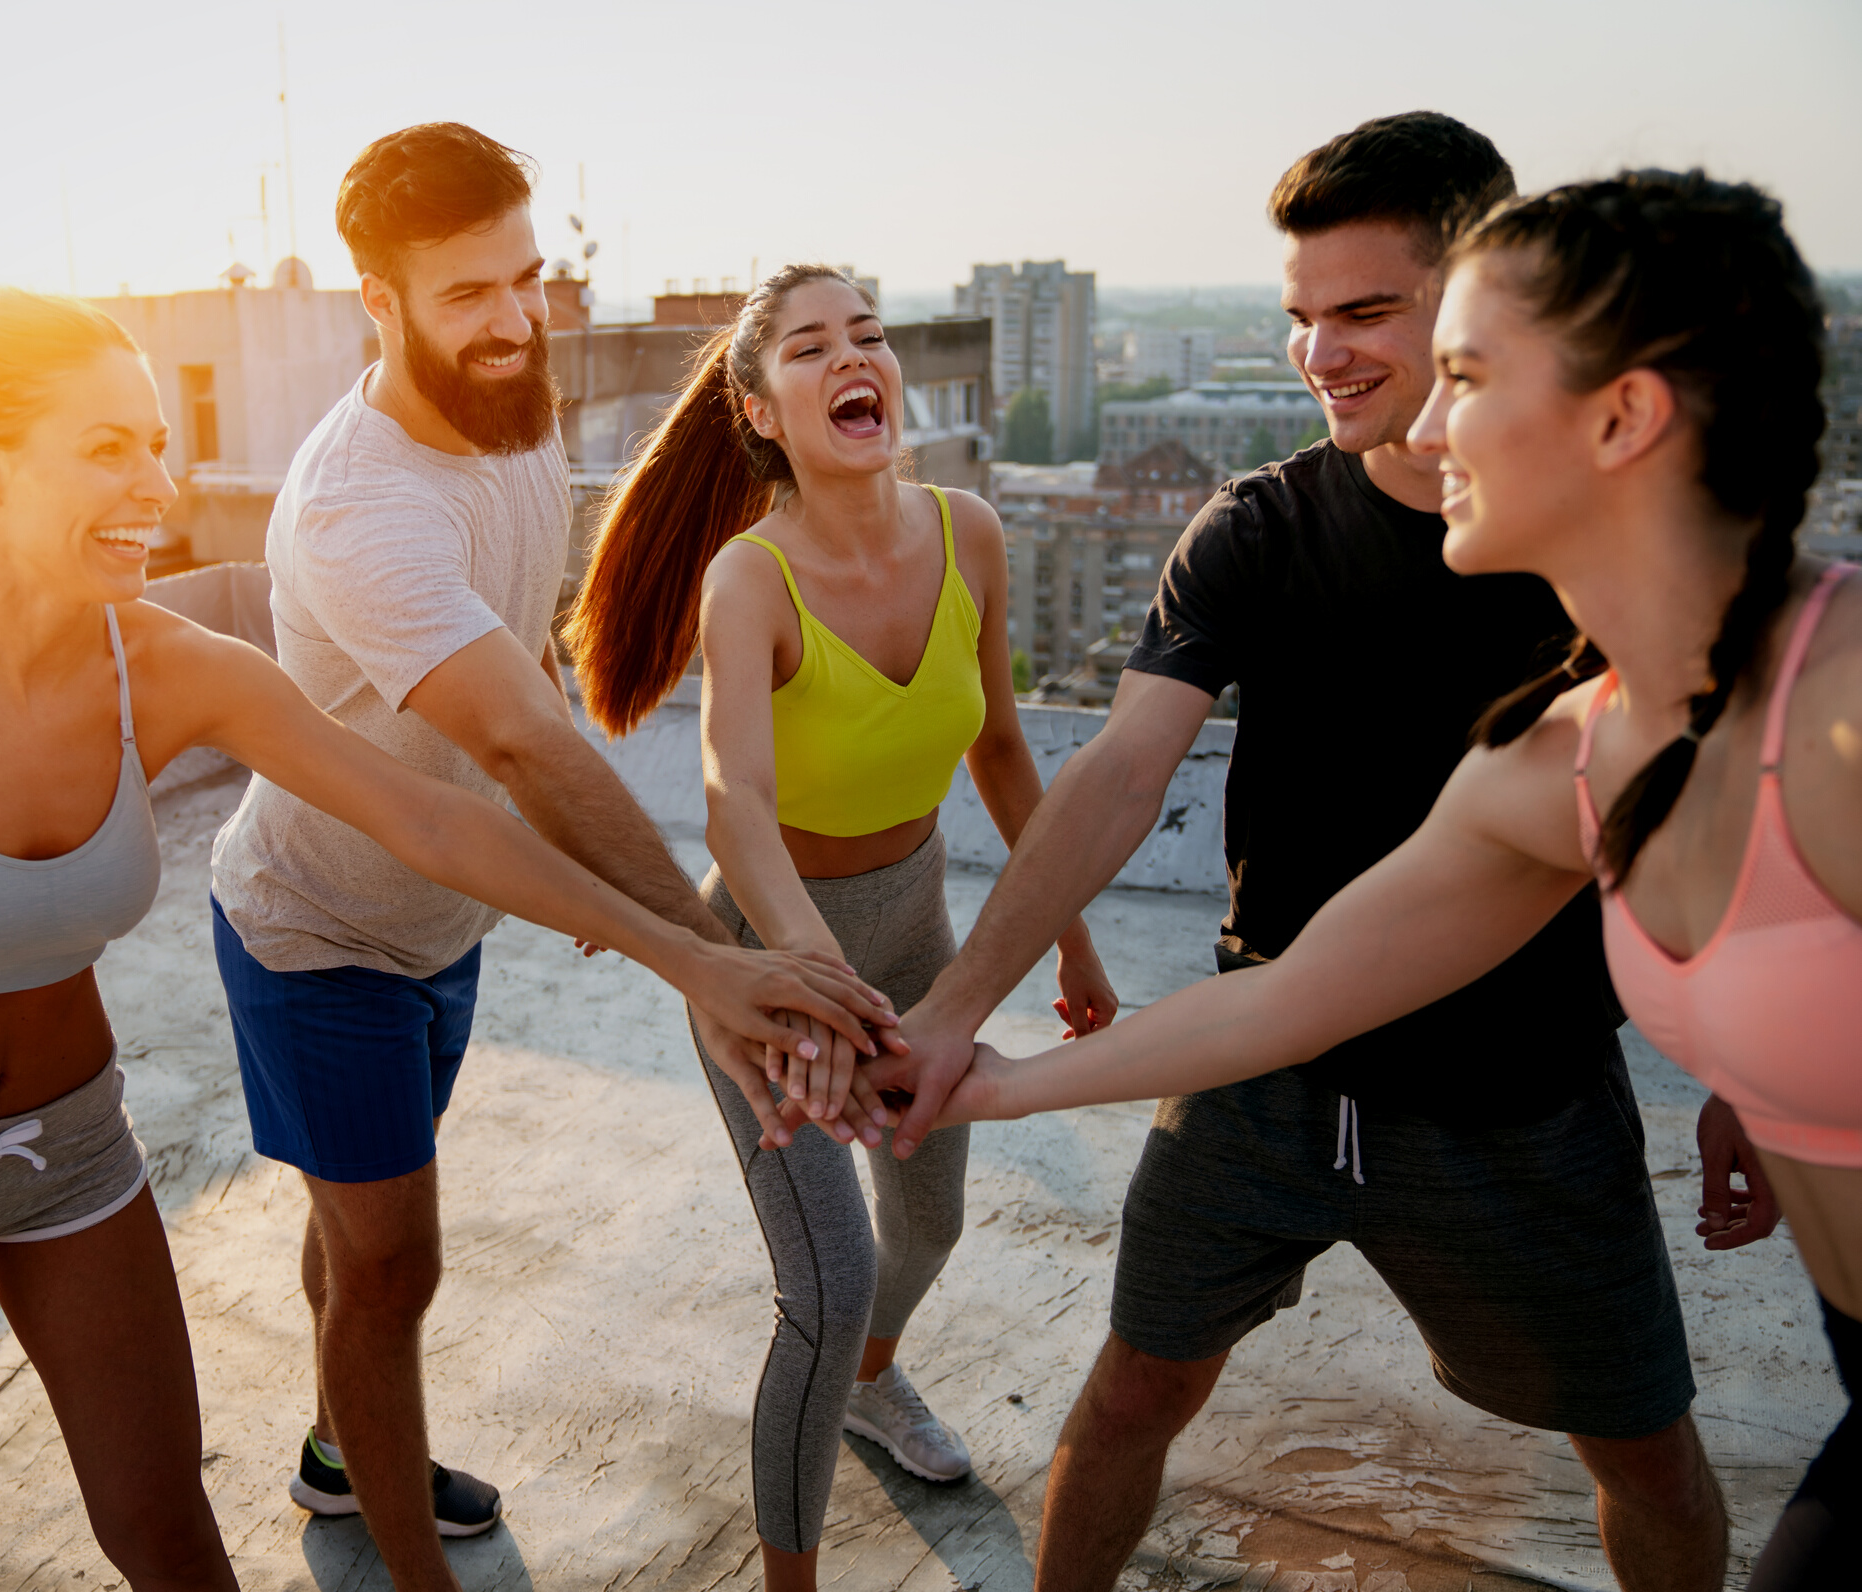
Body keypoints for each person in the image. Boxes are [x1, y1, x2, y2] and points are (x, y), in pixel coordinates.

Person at [0, 287, 899, 1592]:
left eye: (158, 442)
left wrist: (696, 957)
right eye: (106, 448)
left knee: (163, 1526)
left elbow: (433, 820)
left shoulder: (170, 667)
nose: (156, 483)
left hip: (71, 1152)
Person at [910, 168, 1855, 1592]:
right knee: (1131, 1390)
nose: (1412, 421)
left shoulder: (1839, 714)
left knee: (1642, 1452)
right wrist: (974, 1075)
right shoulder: (1551, 765)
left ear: (1623, 417)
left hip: (1519, 1109)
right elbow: (1287, 1003)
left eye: (1457, 371)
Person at [201, 126, 899, 1592]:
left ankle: (340, 1451)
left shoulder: (508, 419)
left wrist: (600, 894)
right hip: (316, 932)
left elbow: (524, 683)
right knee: (395, 1264)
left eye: (526, 277)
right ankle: (403, 1563)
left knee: (359, 1234)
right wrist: (696, 956)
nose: (515, 320)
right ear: (375, 306)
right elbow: (523, 746)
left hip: (439, 922)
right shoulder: (358, 506)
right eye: (466, 295)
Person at [563, 263, 1117, 1590]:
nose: (851, 356)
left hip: (916, 929)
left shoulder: (968, 531)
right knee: (824, 1290)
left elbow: (995, 748)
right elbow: (732, 806)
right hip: (767, 961)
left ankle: (877, 1387)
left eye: (865, 335)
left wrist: (1072, 939)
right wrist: (804, 980)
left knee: (927, 1227)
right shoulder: (749, 579)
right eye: (810, 347)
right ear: (759, 410)